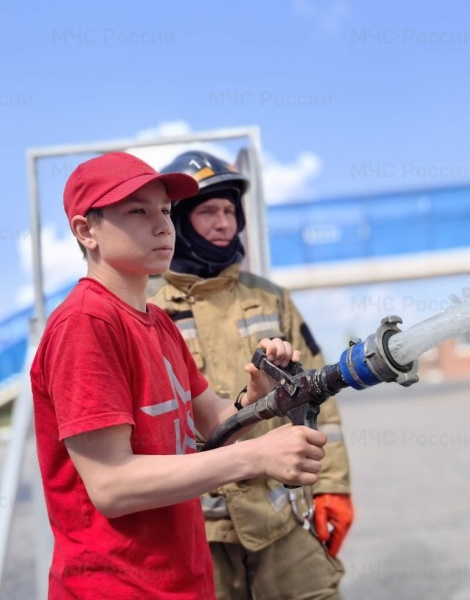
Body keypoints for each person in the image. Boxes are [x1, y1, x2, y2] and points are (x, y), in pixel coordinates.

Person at [31, 151, 328, 599]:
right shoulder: (86, 324)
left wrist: (256, 397)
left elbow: (214, 425)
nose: (162, 225)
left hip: (181, 580)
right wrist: (257, 456)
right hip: (117, 587)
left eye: (166, 211)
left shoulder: (157, 321)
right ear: (85, 230)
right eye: (137, 211)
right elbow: (111, 485)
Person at [147, 150, 351, 600]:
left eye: (229, 211)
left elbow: (322, 395)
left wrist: (333, 486)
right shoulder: (147, 309)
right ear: (178, 219)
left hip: (282, 513)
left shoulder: (271, 298)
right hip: (197, 529)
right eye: (207, 212)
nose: (223, 222)